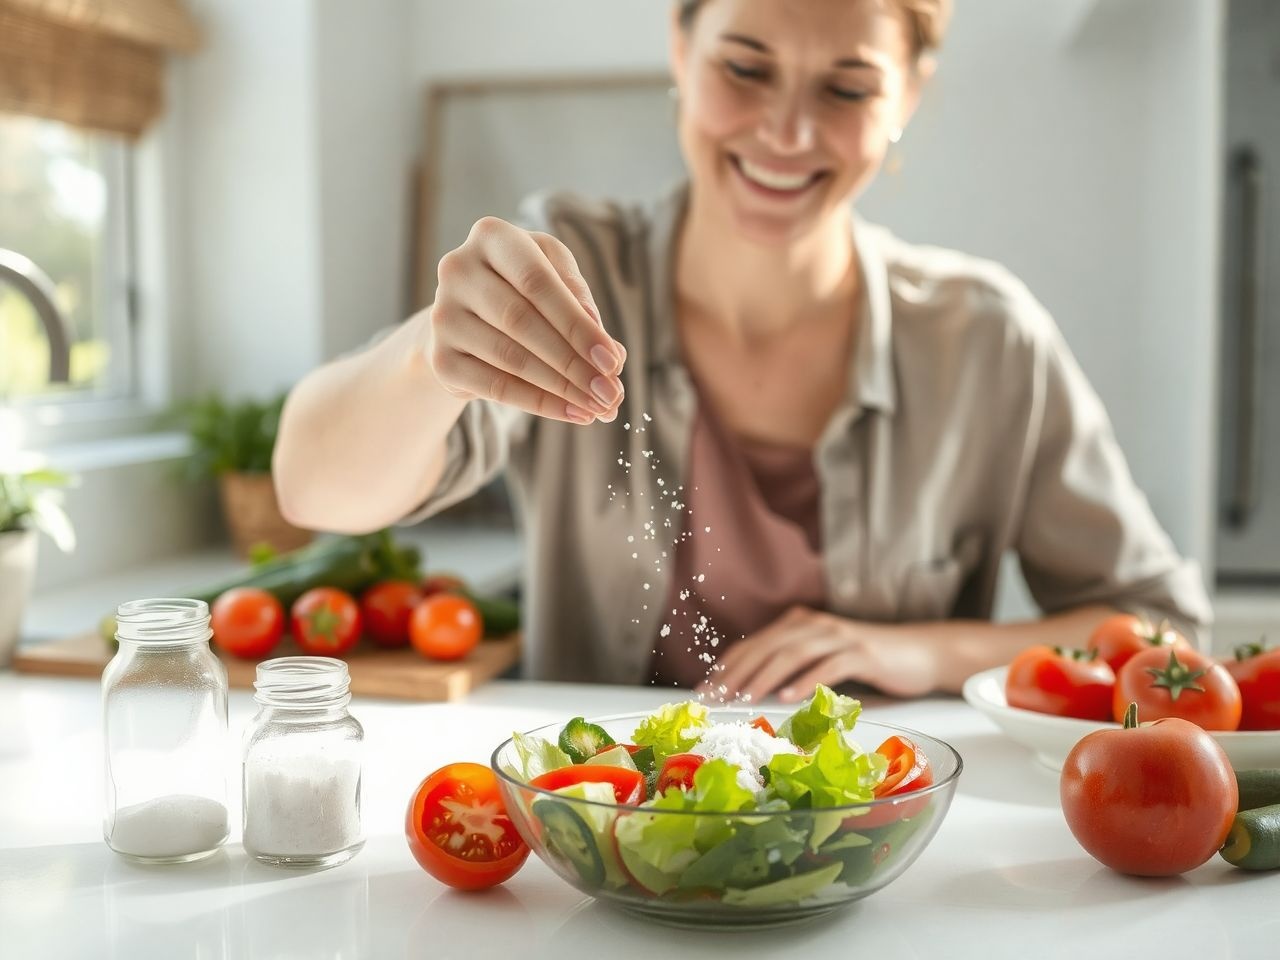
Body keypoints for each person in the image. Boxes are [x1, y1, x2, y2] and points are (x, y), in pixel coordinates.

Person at [274, 0, 1212, 704]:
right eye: (745, 69)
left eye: (846, 88)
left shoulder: (989, 342)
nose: (788, 132)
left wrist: (921, 651)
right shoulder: (578, 267)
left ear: (909, 97)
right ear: (681, 49)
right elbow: (313, 488)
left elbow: (1165, 633)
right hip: (606, 842)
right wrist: (425, 355)